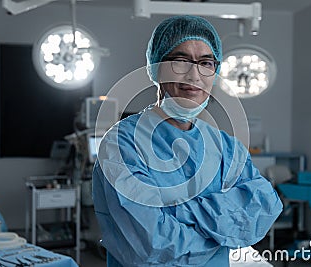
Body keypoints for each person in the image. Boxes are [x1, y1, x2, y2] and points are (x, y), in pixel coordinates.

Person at [93, 15, 283, 267]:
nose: (194, 75)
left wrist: (176, 213)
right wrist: (222, 230)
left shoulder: (225, 146)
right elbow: (154, 243)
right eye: (181, 61)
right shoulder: (122, 144)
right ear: (156, 67)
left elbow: (264, 206)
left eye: (206, 63)